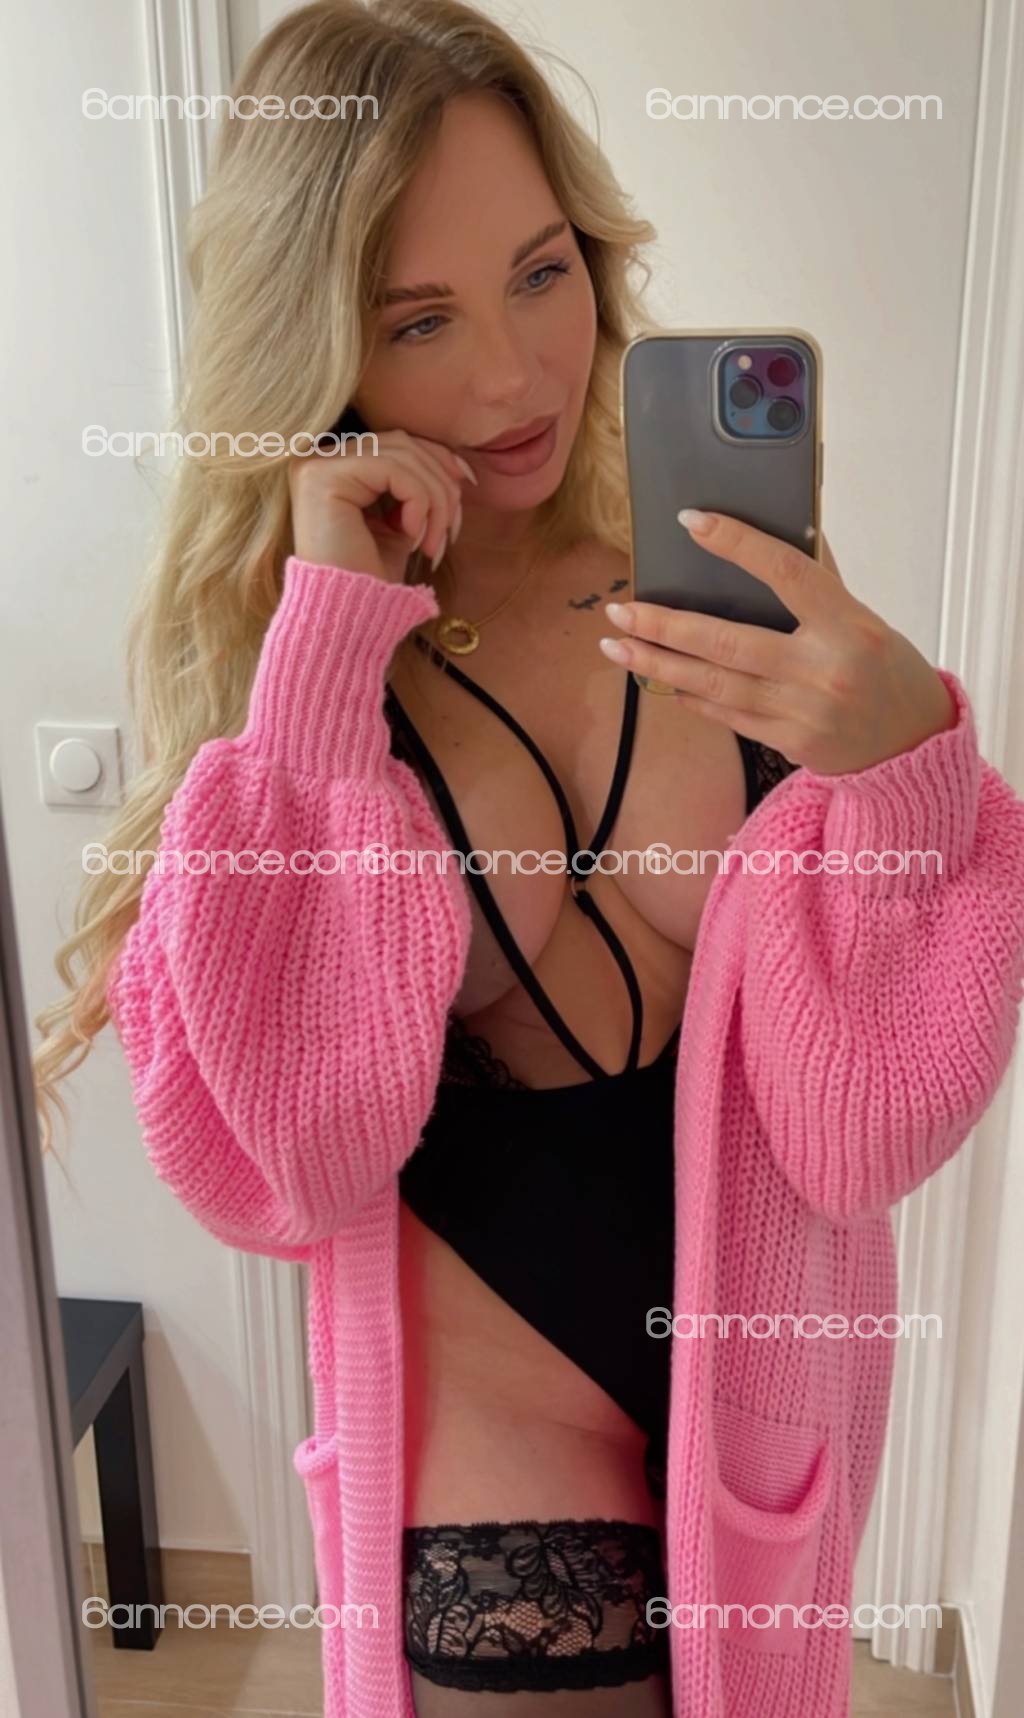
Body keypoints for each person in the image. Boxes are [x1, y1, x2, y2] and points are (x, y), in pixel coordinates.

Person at [32, 3, 1024, 1716]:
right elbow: (296, 1156)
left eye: (541, 273)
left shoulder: (724, 589)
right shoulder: (310, 662)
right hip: (490, 1422)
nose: (511, 377)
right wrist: (326, 660)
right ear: (319, 342)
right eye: (419, 319)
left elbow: (862, 1129)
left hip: (759, 1389)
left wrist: (905, 776)